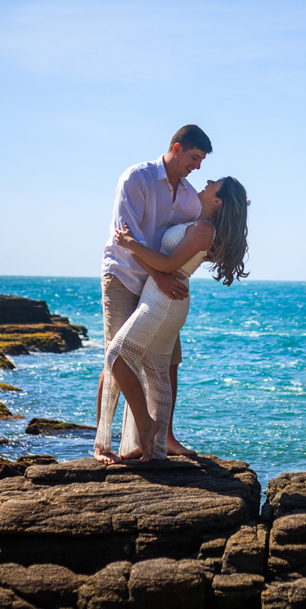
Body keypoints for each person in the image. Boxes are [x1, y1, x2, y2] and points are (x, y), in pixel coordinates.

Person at [94, 176, 250, 462]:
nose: (208, 180)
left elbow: (166, 264)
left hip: (163, 302)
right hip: (163, 299)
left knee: (116, 354)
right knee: (156, 371)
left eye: (214, 184)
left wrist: (130, 243)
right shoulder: (201, 224)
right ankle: (154, 448)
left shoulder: (204, 229)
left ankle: (147, 426)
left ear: (217, 201)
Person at [95, 125, 212, 459]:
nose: (197, 166)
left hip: (158, 289)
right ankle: (103, 444)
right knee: (115, 359)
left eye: (201, 160)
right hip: (123, 276)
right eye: (194, 157)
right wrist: (159, 277)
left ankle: (165, 438)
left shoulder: (190, 197)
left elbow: (183, 244)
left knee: (168, 362)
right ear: (176, 149)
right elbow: (125, 237)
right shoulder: (137, 178)